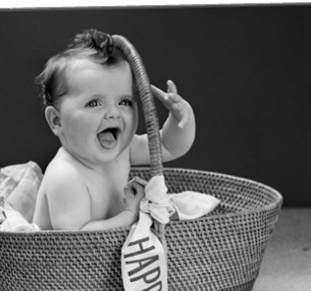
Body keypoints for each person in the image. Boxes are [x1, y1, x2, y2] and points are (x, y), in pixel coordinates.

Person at [33, 29, 195, 231]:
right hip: (62, 259)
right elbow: (74, 240)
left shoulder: (122, 150)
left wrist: (181, 119)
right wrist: (130, 214)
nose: (114, 113)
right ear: (57, 121)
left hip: (107, 253)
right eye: (94, 103)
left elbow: (168, 146)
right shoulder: (65, 175)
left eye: (125, 101)